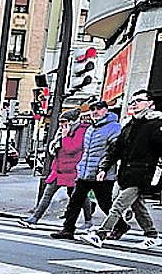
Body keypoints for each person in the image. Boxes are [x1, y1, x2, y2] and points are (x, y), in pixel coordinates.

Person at [84, 90, 162, 249]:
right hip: (126, 173)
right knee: (138, 207)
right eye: (132, 102)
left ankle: (101, 234)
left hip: (141, 173)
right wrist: (104, 167)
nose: (134, 104)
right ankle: (152, 235)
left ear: (150, 104)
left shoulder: (155, 125)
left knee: (118, 205)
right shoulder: (129, 125)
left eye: (139, 101)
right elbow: (116, 149)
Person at [50, 100, 121, 240]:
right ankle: (68, 229)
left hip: (101, 174)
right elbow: (86, 151)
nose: (95, 112)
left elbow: (114, 151)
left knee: (105, 203)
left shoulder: (114, 128)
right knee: (75, 201)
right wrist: (81, 167)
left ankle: (121, 225)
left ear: (106, 110)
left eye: (99, 109)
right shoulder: (91, 128)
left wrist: (104, 168)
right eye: (93, 109)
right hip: (85, 172)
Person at [18, 111, 94, 228]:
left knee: (81, 197)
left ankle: (88, 221)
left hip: (73, 170)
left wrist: (65, 137)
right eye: (60, 122)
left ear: (71, 122)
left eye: (64, 121)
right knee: (47, 194)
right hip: (59, 169)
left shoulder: (81, 131)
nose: (61, 124)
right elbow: (54, 149)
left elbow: (72, 149)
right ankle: (35, 217)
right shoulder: (61, 132)